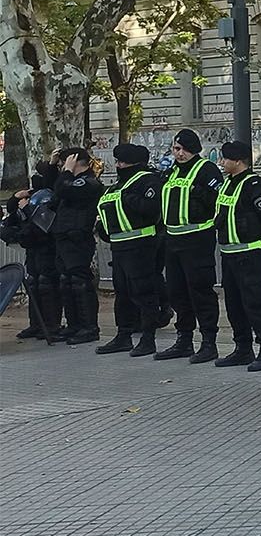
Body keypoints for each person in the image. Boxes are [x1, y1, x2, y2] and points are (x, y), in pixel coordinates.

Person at [210, 141, 261, 370]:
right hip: (229, 255)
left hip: (250, 255)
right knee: (234, 305)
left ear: (238, 160)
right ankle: (243, 348)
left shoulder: (254, 185)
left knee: (257, 304)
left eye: (225, 159)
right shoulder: (227, 184)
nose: (221, 162)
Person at [92, 145, 169, 356]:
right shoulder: (116, 186)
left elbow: (151, 209)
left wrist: (128, 198)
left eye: (122, 162)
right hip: (118, 247)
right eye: (117, 162)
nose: (118, 165)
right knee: (123, 294)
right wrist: (103, 229)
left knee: (144, 293)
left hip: (142, 244)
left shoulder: (148, 180)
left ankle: (148, 339)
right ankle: (123, 335)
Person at [156, 129, 224, 362]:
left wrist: (198, 193)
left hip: (197, 239)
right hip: (173, 240)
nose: (179, 153)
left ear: (193, 149)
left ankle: (208, 343)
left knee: (200, 291)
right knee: (177, 292)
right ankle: (184, 340)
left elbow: (216, 199)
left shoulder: (206, 169)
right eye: (176, 149)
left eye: (183, 149)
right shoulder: (172, 171)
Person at [50, 147, 104, 345]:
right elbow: (53, 193)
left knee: (79, 282)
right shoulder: (66, 181)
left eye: (63, 163)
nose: (61, 168)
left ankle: (89, 327)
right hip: (63, 237)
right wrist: (50, 166)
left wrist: (66, 171)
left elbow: (63, 189)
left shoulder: (89, 182)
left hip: (77, 238)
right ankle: (74, 325)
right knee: (66, 282)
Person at [6, 163, 62, 341]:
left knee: (47, 284)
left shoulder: (47, 198)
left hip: (47, 250)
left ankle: (52, 325)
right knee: (34, 283)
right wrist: (16, 201)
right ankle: (36, 324)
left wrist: (26, 209)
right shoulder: (29, 199)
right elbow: (13, 220)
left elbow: (41, 226)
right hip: (33, 250)